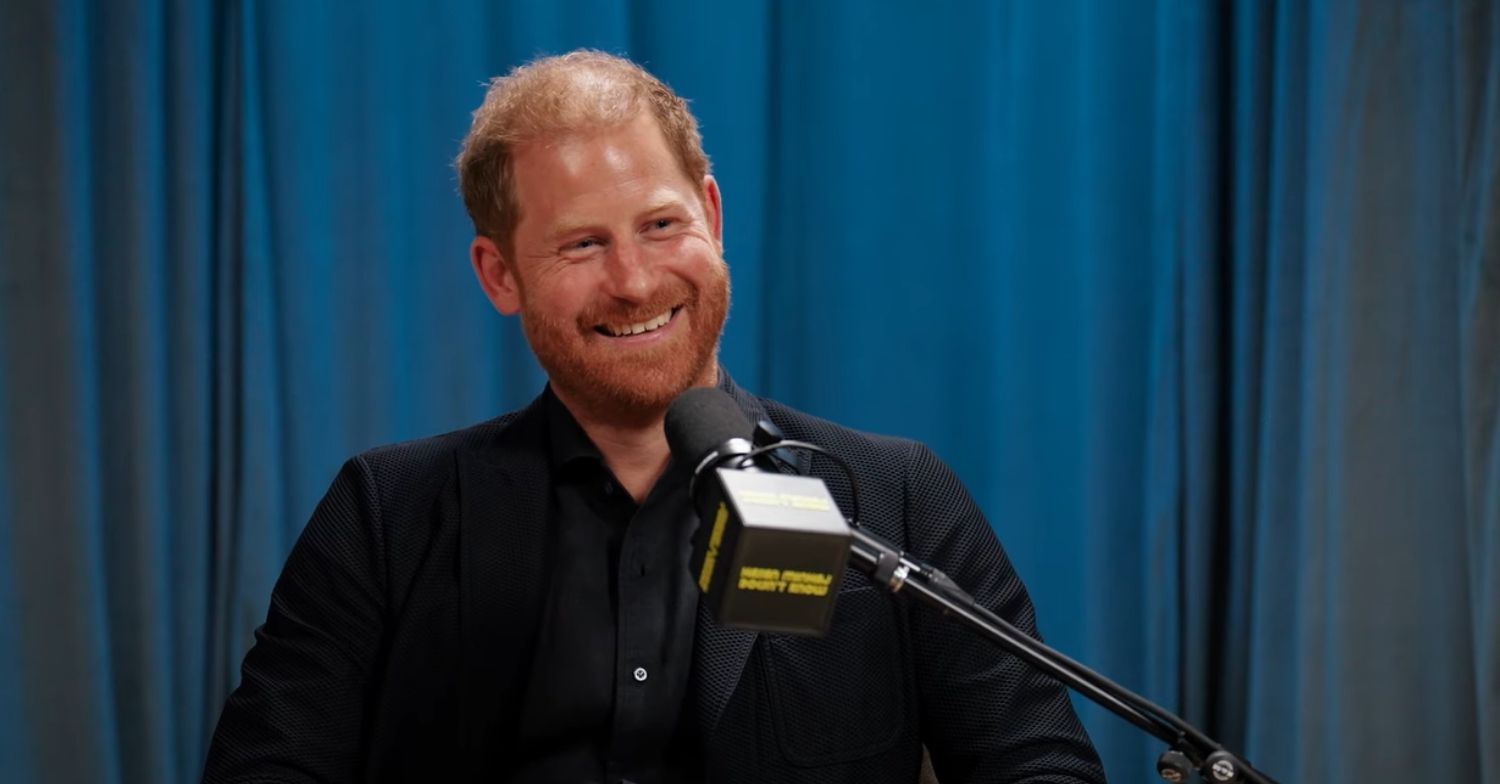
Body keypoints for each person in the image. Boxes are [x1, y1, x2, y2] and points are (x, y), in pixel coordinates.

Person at [202, 50, 1106, 784]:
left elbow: (1038, 765)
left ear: (712, 214)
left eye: (661, 225)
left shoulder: (891, 495)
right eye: (582, 244)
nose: (634, 282)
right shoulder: (387, 515)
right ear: (499, 275)